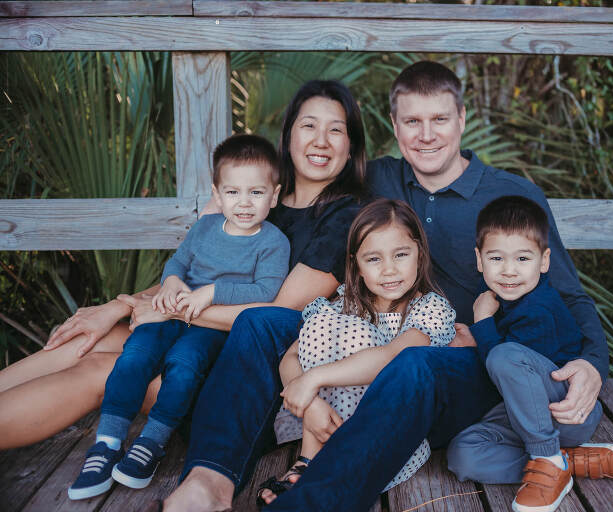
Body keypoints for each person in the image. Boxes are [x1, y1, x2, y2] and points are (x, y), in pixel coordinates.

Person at [261, 61, 611, 512]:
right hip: (416, 389)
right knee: (277, 330)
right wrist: (219, 217)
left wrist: (593, 365)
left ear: (462, 120)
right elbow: (303, 178)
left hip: (490, 369)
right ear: (395, 125)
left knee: (413, 364)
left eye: (440, 119)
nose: (426, 135)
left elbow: (571, 295)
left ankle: (310, 504)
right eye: (412, 121)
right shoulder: (376, 180)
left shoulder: (514, 197)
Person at [0, 79, 367, 454]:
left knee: (103, 370)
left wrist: (166, 311)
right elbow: (189, 272)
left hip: (250, 383)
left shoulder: (344, 220)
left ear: (350, 145)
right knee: (90, 339)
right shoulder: (251, 194)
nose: (321, 140)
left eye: (335, 130)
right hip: (192, 339)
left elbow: (277, 315)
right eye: (309, 125)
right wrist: (117, 308)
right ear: (288, 134)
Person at [67, 134, 290, 500]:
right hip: (171, 313)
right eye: (233, 193)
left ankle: (152, 443)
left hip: (210, 326)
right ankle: (107, 443)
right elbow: (179, 262)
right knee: (135, 354)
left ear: (275, 195)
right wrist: (171, 280)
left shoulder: (273, 242)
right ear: (217, 196)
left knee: (184, 365)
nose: (244, 203)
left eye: (256, 193)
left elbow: (265, 290)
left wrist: (212, 292)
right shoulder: (205, 228)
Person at [257, 199, 455, 505]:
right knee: (326, 319)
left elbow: (392, 358)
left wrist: (315, 379)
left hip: (385, 439)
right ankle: (309, 459)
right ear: (357, 266)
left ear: (420, 253)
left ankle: (330, 469)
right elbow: (291, 359)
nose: (389, 270)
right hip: (323, 423)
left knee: (355, 333)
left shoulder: (430, 309)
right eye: (374, 259)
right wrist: (309, 405)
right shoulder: (344, 304)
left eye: (401, 254)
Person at [445, 195, 613, 512]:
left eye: (522, 259)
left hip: (565, 412)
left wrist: (483, 324)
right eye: (495, 259)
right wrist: (482, 337)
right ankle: (563, 461)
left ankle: (546, 456)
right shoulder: (506, 300)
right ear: (479, 260)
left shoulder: (540, 308)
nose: (508, 271)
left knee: (504, 357)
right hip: (524, 415)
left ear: (544, 261)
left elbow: (504, 363)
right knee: (462, 455)